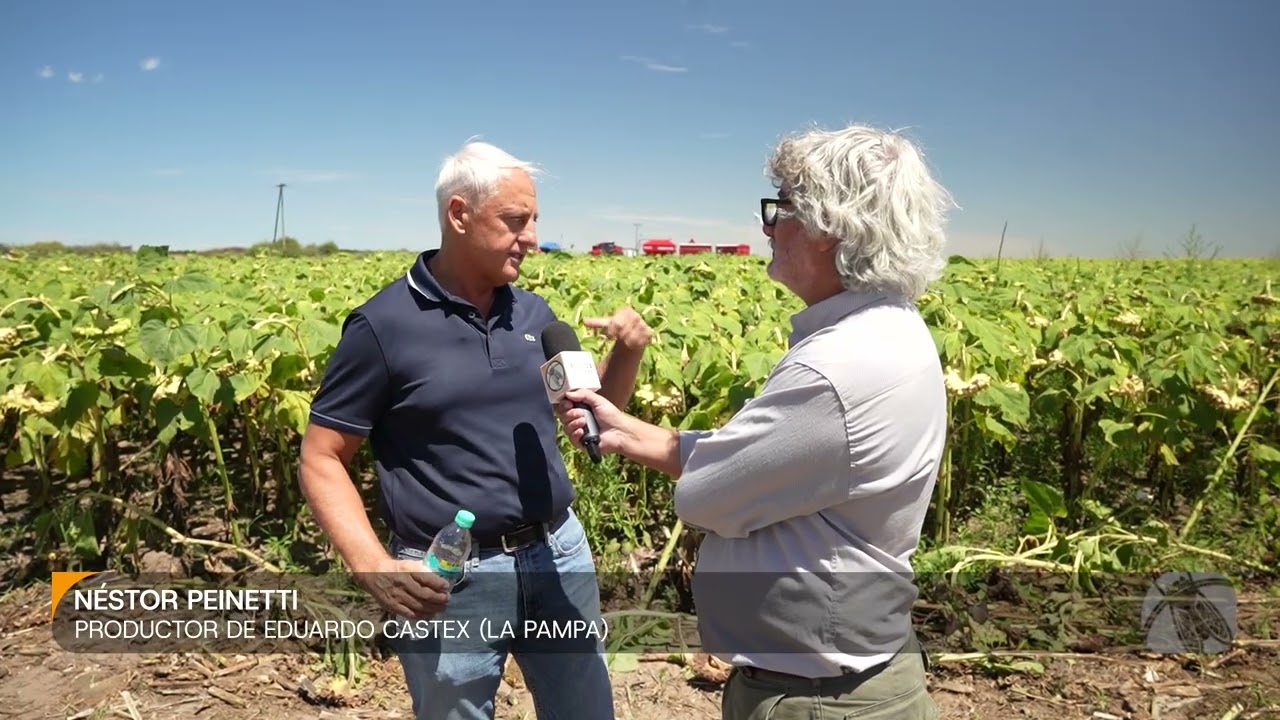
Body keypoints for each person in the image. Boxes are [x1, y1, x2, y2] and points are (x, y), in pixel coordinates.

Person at [555, 123, 953, 720]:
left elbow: (708, 497)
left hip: (819, 698)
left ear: (830, 228)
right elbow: (770, 463)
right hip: (852, 671)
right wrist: (627, 431)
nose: (768, 226)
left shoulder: (835, 369)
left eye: (782, 208)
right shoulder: (891, 329)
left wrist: (688, 467)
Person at [299, 140, 653, 720]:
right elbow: (321, 456)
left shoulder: (534, 315)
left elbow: (593, 424)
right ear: (458, 215)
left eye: (534, 220)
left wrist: (628, 355)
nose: (533, 237)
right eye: (515, 221)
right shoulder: (383, 327)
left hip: (558, 553)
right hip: (451, 576)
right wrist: (373, 565)